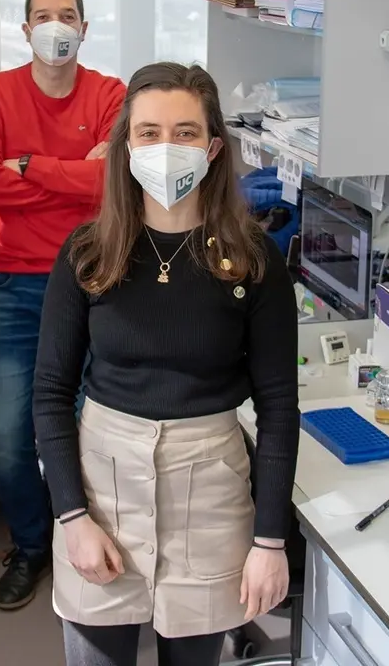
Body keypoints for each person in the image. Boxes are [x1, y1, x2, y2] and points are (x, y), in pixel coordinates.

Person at [32, 62, 301, 666]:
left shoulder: (254, 260)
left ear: (212, 148)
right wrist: (72, 516)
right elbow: (50, 392)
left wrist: (270, 541)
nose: (166, 147)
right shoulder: (88, 253)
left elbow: (279, 406)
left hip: (210, 497)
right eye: (149, 133)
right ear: (127, 146)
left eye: (185, 133)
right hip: (102, 492)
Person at [0, 0, 127, 610]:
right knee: (9, 440)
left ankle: (88, 546)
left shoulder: (111, 95)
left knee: (93, 432)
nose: (56, 26)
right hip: (17, 285)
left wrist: (29, 167)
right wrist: (74, 175)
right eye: (43, 15)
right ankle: (33, 548)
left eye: (68, 15)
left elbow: (111, 183)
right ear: (26, 28)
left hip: (93, 281)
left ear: (84, 28)